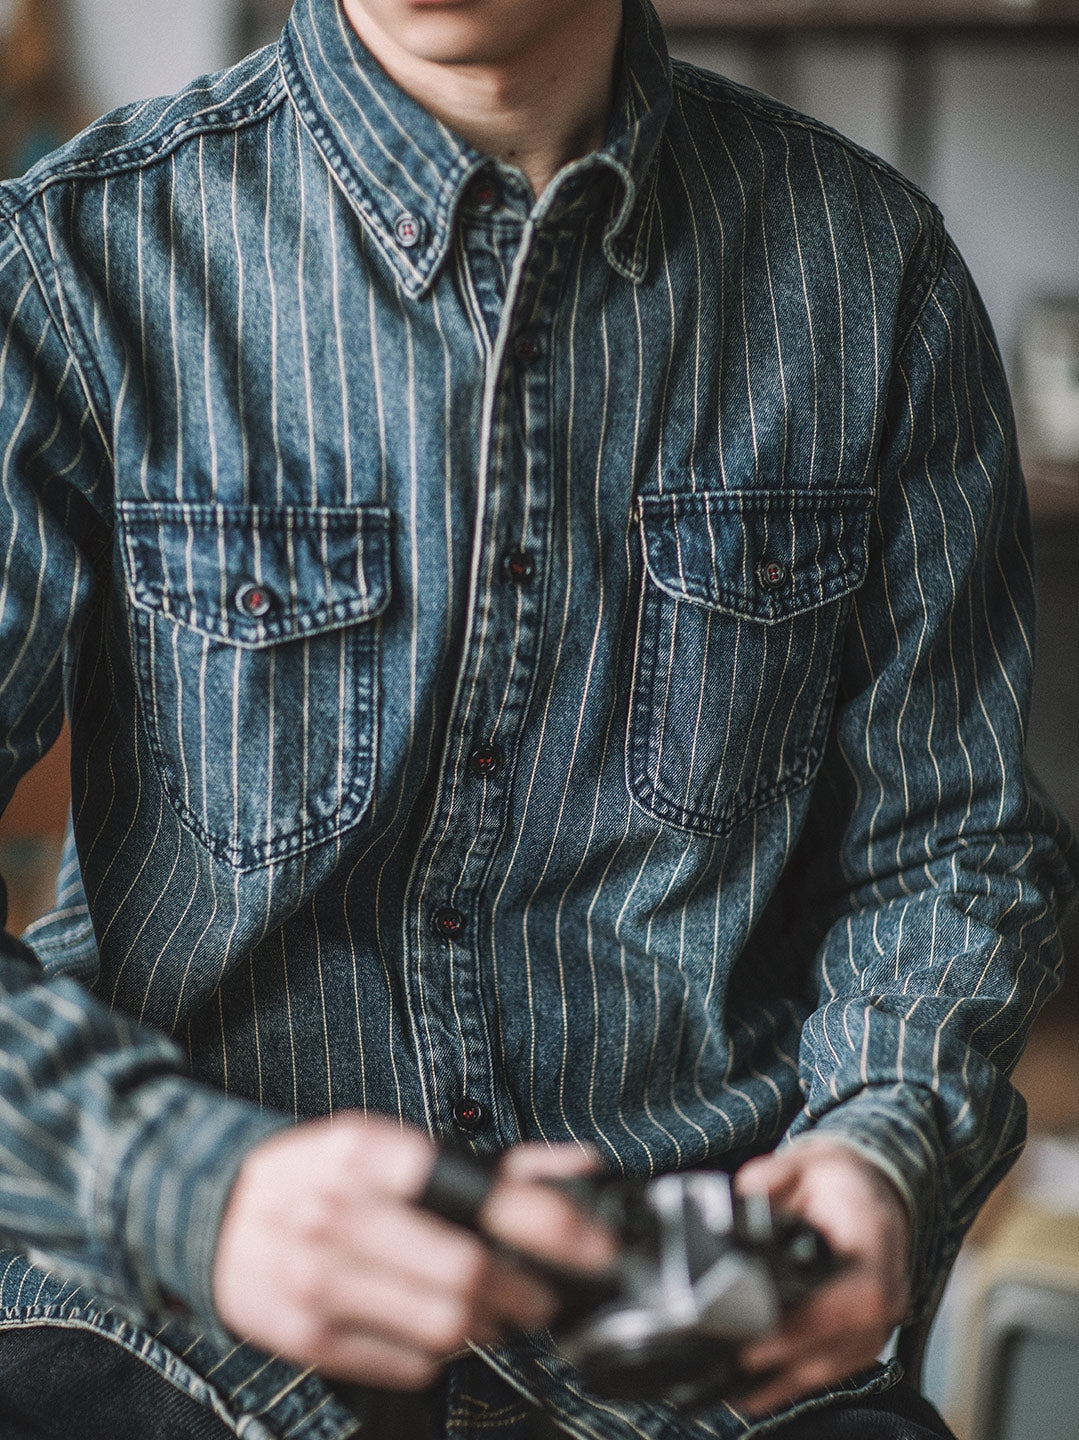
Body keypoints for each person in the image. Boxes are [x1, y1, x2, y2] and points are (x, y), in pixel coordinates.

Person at [0, 0, 1074, 1437]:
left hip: (700, 1337)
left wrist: (885, 1140)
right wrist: (193, 1188)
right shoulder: (73, 262)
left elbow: (955, 843)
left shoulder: (872, 275)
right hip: (179, 1320)